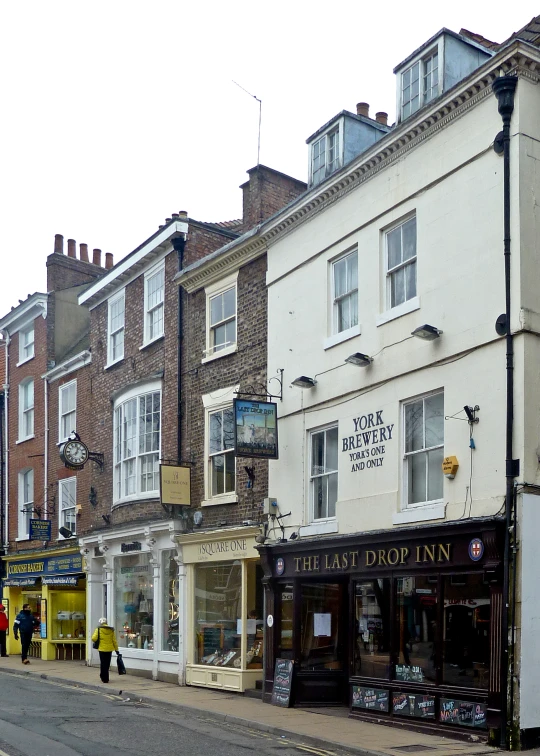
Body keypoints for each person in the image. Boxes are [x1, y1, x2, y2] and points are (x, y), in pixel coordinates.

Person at [91, 617, 119, 683]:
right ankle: (106, 677)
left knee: (103, 663)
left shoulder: (98, 629)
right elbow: (114, 641)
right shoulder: (111, 630)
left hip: (102, 649)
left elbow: (93, 638)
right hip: (109, 649)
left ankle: (103, 677)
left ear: (100, 622)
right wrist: (116, 649)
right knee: (107, 663)